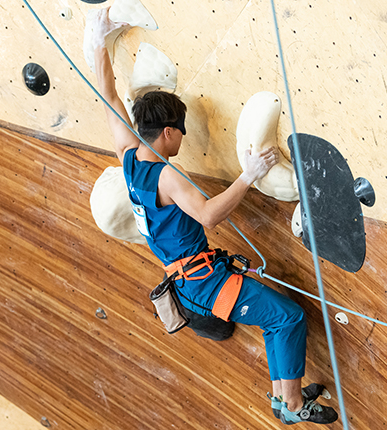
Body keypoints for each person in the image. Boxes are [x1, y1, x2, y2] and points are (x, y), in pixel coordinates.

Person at [90, 8, 338, 425]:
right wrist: (250, 175)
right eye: (181, 131)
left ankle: (283, 397)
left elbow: (109, 96)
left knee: (276, 320)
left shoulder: (128, 158)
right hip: (206, 283)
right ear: (168, 132)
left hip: (190, 278)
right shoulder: (165, 176)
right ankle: (293, 406)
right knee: (287, 318)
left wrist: (98, 41)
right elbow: (208, 215)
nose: (183, 139)